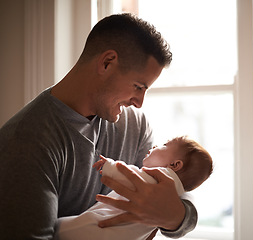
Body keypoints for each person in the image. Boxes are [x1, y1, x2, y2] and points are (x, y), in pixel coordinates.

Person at [0, 13, 198, 239]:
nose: (139, 103)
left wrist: (176, 217)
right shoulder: (27, 142)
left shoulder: (135, 125)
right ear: (107, 63)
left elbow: (178, 186)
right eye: (138, 87)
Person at [55, 136, 213, 240]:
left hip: (104, 227)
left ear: (174, 165)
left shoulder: (159, 178)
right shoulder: (173, 190)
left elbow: (130, 174)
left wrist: (110, 166)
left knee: (63, 229)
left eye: (164, 145)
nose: (157, 145)